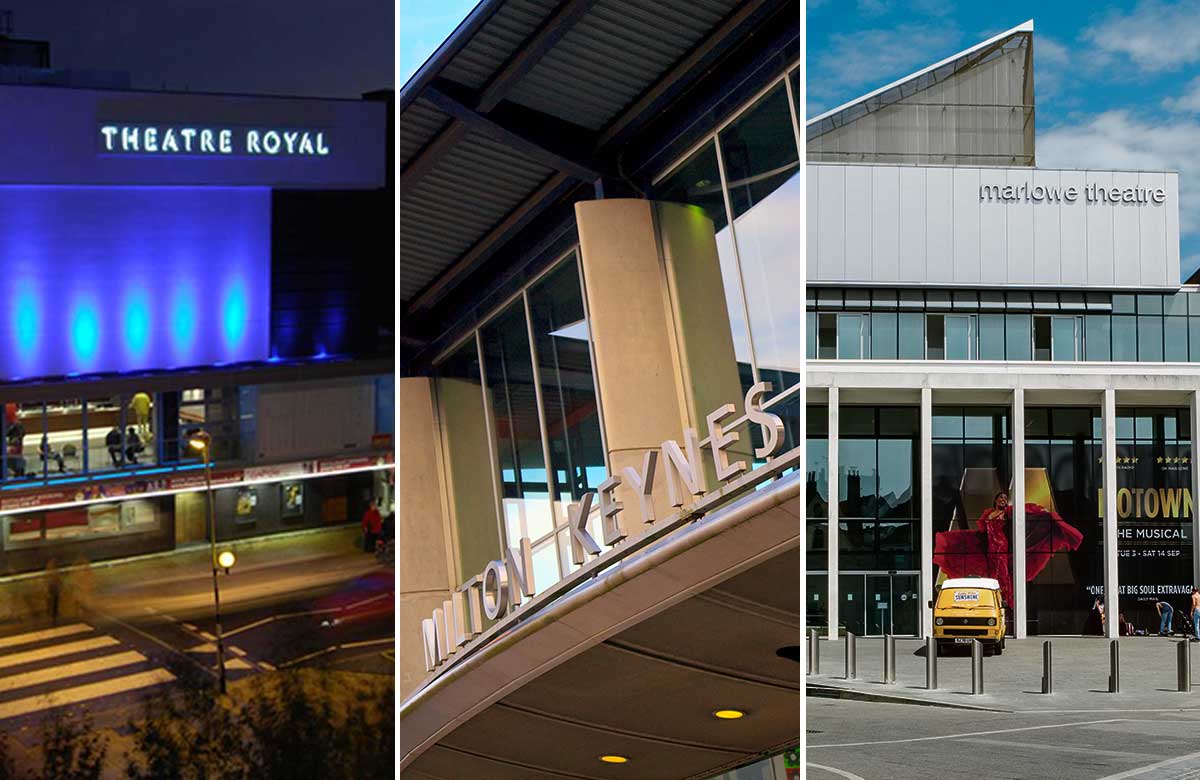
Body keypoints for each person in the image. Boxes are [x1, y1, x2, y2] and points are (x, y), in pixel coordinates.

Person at [934, 489, 1084, 610]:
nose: (1003, 500)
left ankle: (1005, 604)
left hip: (1001, 547)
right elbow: (984, 530)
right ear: (996, 500)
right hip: (990, 548)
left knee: (1002, 574)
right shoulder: (989, 513)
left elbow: (1027, 509)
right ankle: (994, 603)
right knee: (989, 572)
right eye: (1000, 498)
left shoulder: (1008, 512)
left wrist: (1042, 511)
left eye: (1005, 499)